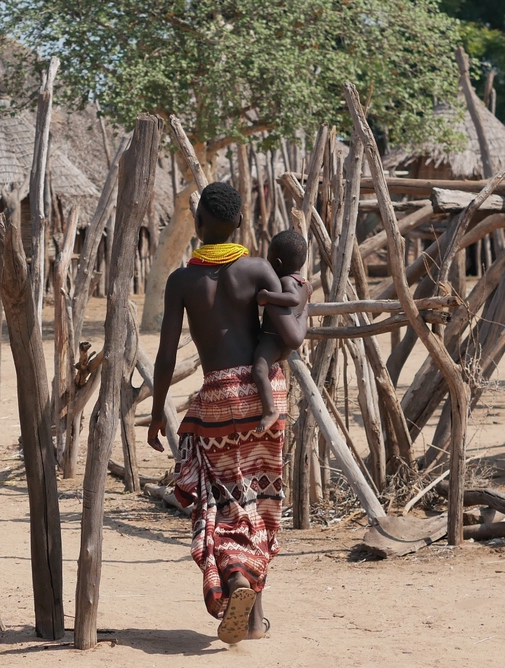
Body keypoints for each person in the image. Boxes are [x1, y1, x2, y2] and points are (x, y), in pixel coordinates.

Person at [146, 182, 293, 644]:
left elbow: (167, 356)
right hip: (268, 392)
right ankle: (252, 619)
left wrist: (156, 411)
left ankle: (235, 583)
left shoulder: (183, 281)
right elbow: (287, 331)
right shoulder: (258, 269)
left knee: (227, 501)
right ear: (239, 224)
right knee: (259, 500)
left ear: (201, 223)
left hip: (221, 399)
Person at [253, 229, 311, 433]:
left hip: (272, 340)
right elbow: (300, 302)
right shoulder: (304, 283)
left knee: (259, 370)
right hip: (285, 345)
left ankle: (269, 410)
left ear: (276, 263)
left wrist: (266, 295)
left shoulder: (286, 282)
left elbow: (292, 300)